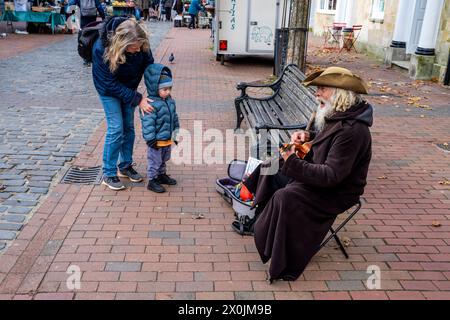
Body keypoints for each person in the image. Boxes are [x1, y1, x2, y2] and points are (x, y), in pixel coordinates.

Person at [232, 67, 373, 282]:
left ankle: (281, 255)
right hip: (320, 176)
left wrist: (293, 161)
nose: (317, 94)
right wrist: (307, 135)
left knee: (285, 196)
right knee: (270, 167)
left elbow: (331, 176)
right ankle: (260, 221)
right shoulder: (339, 115)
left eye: (322, 89)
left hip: (336, 191)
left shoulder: (352, 131)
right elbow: (326, 139)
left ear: (340, 93)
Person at [92, 16, 155, 190]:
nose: (137, 50)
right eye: (133, 48)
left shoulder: (142, 44)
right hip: (108, 89)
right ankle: (109, 172)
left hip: (129, 86)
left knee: (128, 127)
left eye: (139, 47)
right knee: (116, 128)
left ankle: (125, 165)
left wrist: (157, 89)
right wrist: (138, 99)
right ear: (121, 43)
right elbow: (108, 83)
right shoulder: (101, 48)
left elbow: (149, 66)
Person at [141, 64, 179, 193]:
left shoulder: (170, 101)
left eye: (169, 89)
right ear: (155, 88)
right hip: (156, 140)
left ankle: (161, 175)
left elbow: (174, 118)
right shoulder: (151, 105)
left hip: (167, 138)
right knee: (154, 161)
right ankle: (152, 180)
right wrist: (150, 138)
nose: (168, 92)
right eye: (165, 89)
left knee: (164, 158)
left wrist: (176, 133)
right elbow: (148, 123)